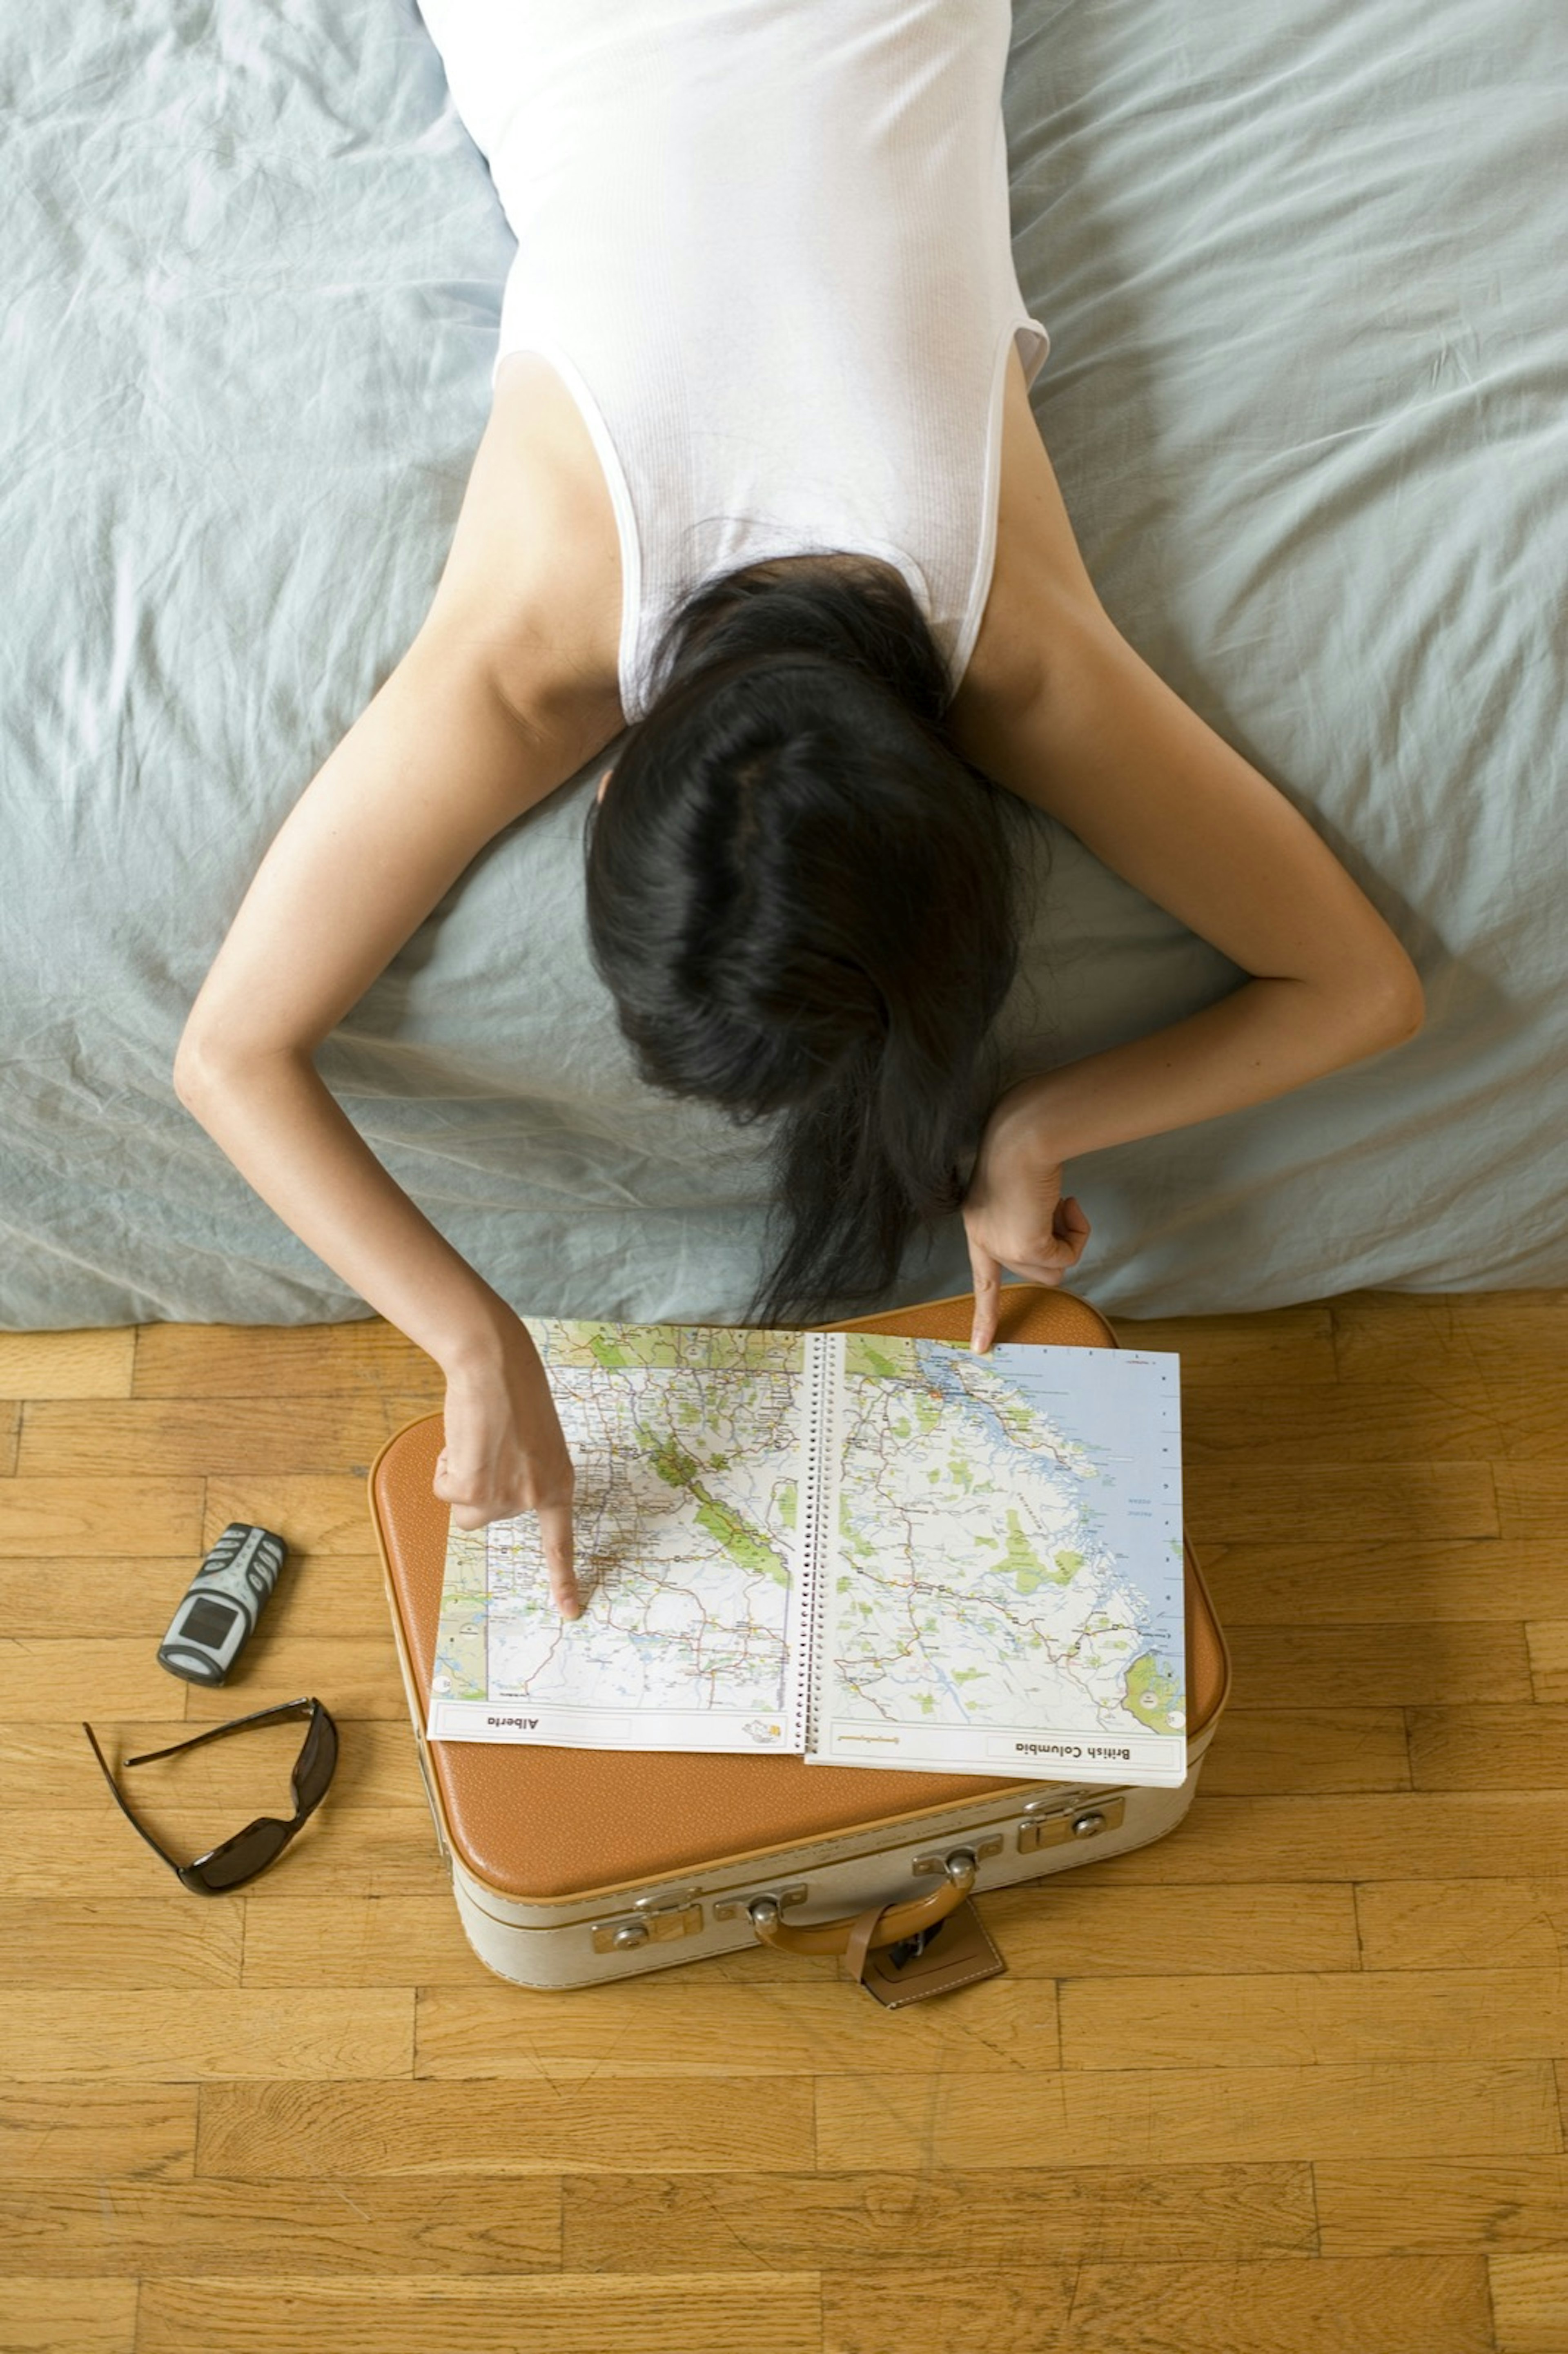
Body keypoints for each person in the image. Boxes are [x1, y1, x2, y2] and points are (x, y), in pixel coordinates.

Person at [174, 2, 1423, 1622]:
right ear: (615, 775)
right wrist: (472, 1337)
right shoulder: (560, 642)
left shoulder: (983, 653)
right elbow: (229, 1056)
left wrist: (1035, 1122)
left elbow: (231, 1052)